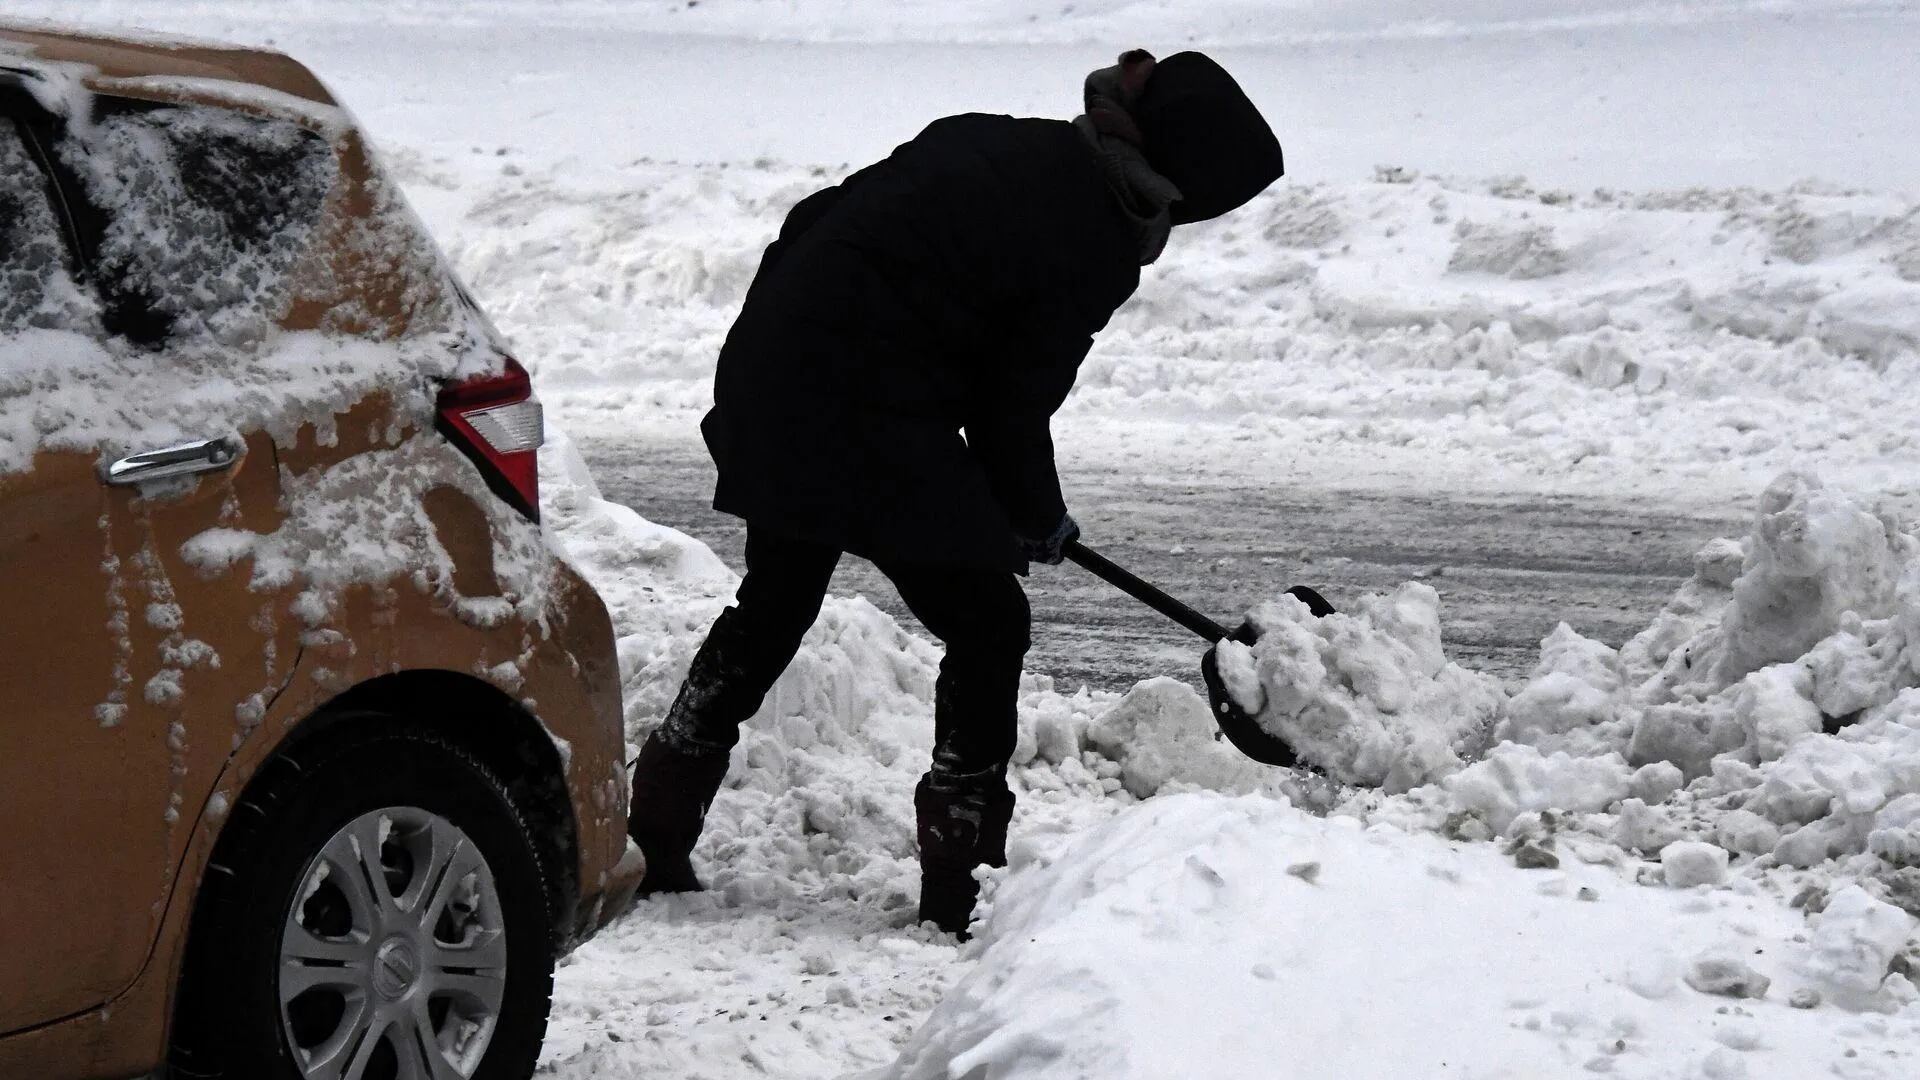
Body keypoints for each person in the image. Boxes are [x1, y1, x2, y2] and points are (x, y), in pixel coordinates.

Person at [627, 49, 1285, 934]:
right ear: (1181, 183)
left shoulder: (1005, 144)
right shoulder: (1089, 231)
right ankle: (958, 880)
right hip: (861, 398)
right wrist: (1036, 514)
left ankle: (655, 826)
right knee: (989, 623)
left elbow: (824, 222)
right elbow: (1011, 407)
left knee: (776, 599)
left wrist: (1002, 499)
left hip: (776, 366)